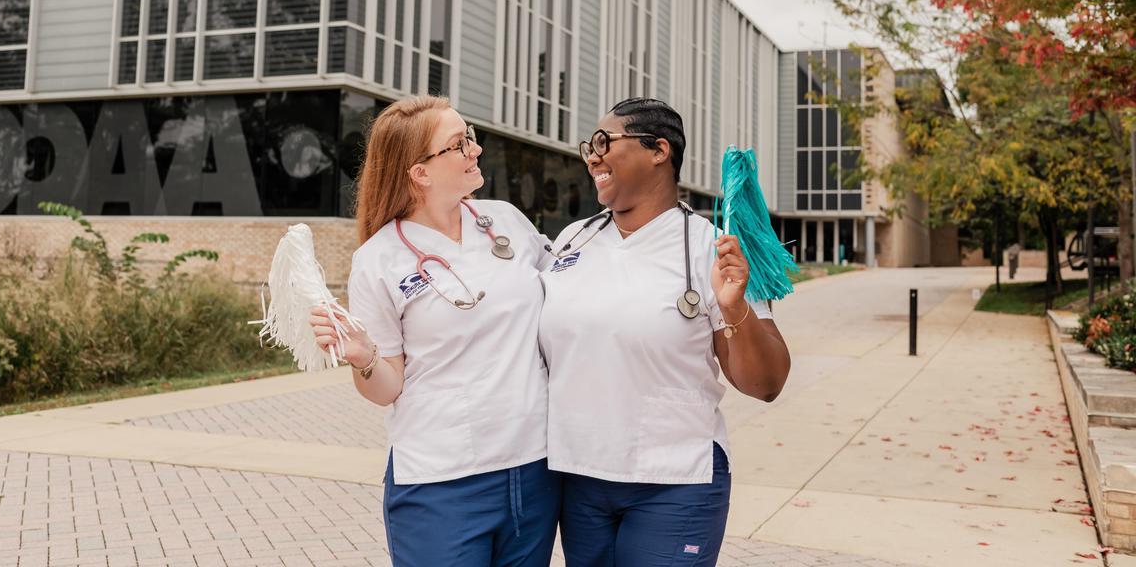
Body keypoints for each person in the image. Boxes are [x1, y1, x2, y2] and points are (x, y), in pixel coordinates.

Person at [539, 97, 792, 566]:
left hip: (676, 479)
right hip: (579, 479)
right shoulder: (573, 240)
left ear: (658, 150)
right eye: (588, 146)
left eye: (603, 142)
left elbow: (767, 383)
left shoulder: (711, 248)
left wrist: (735, 308)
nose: (591, 155)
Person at [309, 95, 559, 566]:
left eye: (471, 137)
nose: (475, 150)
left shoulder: (505, 221)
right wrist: (363, 357)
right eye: (459, 144)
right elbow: (387, 389)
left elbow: (571, 294)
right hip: (442, 481)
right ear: (419, 172)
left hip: (532, 472)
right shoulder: (379, 261)